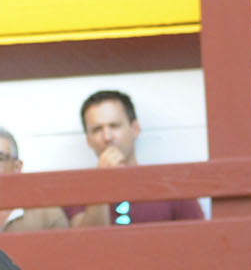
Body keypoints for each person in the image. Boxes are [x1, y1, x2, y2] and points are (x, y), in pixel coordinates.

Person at [83, 87, 203, 221]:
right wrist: (100, 183)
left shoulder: (173, 186)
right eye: (97, 129)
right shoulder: (78, 190)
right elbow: (80, 240)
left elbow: (202, 239)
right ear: (88, 140)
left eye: (114, 126)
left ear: (135, 129)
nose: (107, 137)